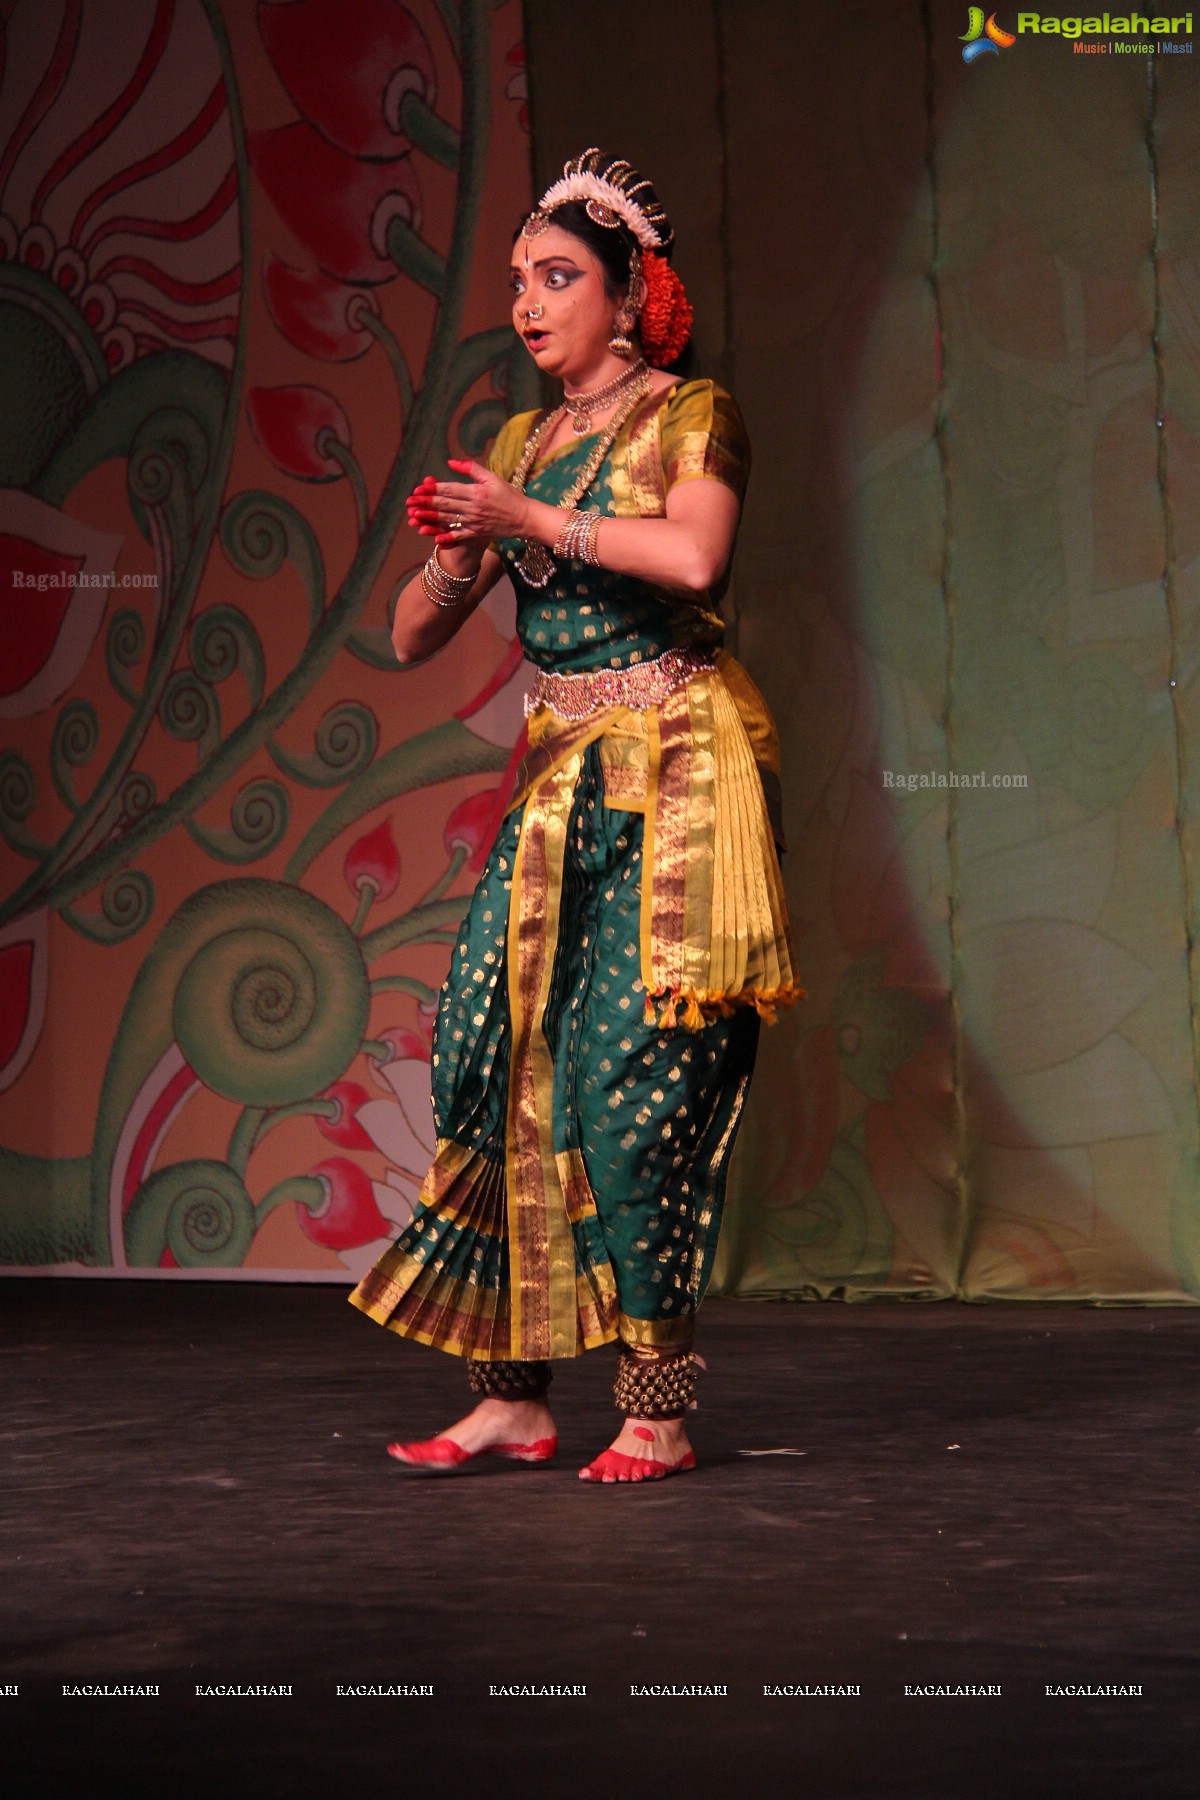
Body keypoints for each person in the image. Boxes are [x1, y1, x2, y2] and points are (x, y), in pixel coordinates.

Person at [349, 149, 802, 1483]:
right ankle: (512, 1396)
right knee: (485, 1052)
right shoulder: (518, 443)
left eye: (558, 279)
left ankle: (654, 1408)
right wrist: (454, 549)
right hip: (559, 780)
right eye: (517, 282)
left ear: (627, 297)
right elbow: (405, 639)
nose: (529, 304)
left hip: (676, 773)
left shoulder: (690, 415)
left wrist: (530, 517)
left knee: (628, 1080)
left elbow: (695, 556)